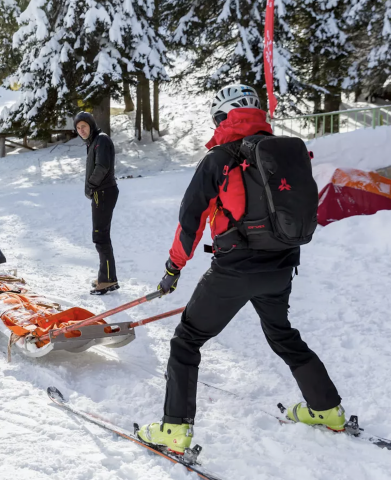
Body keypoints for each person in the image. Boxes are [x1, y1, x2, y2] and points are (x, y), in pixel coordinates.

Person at [136, 85, 344, 454]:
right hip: (281, 266)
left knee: (187, 340)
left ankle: (173, 430)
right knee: (282, 334)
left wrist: (173, 268)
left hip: (235, 270)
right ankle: (327, 410)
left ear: (222, 117)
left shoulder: (220, 158)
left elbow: (191, 220)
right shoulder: (281, 153)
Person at [74, 111, 119, 295]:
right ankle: (107, 276)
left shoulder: (101, 140)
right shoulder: (94, 142)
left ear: (91, 125)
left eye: (83, 126)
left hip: (103, 191)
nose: (81, 130)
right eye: (78, 128)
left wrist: (91, 186)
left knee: (100, 237)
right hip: (102, 192)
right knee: (102, 235)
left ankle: (107, 280)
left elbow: (102, 166)